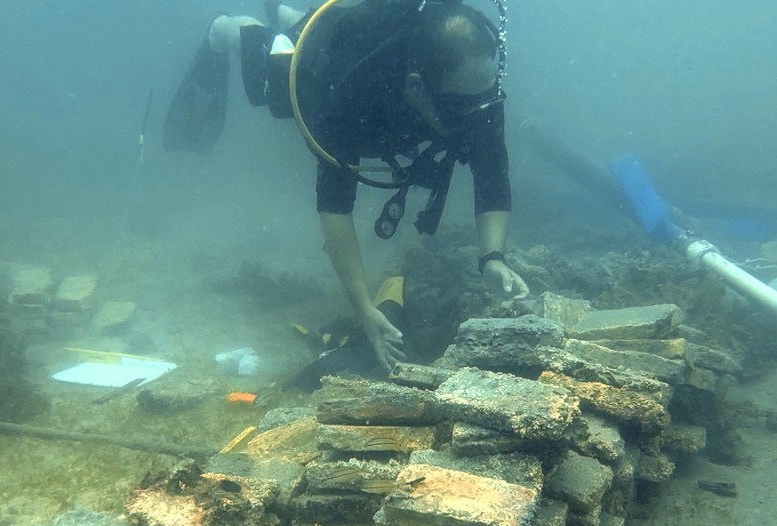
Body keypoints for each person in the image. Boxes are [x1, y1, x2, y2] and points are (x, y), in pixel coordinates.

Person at [168, 0, 529, 371]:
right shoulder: (352, 91)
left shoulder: (475, 89)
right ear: (418, 86)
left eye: (484, 105)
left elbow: (493, 171)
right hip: (326, 58)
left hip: (366, 51)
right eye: (461, 112)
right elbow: (335, 206)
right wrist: (363, 308)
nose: (475, 123)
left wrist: (492, 258)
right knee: (272, 91)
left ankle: (289, 15)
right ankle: (229, 28)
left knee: (306, 32)